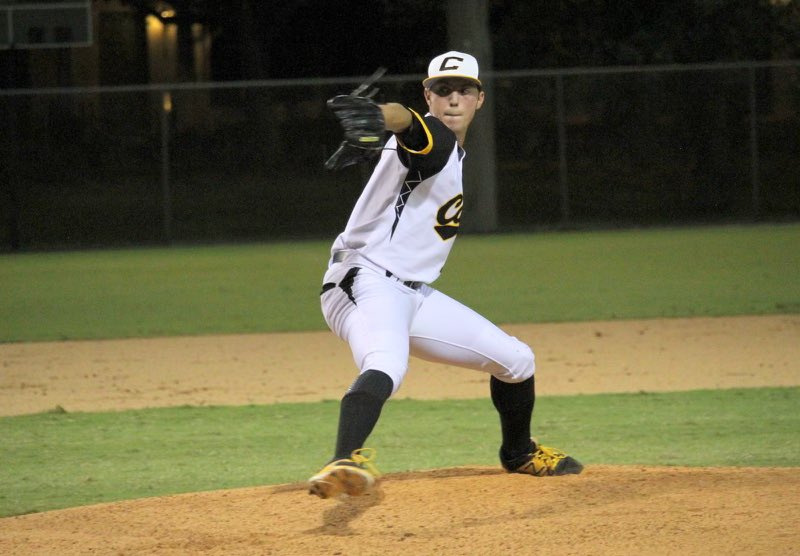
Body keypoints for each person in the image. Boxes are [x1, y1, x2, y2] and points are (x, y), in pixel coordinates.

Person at [308, 51, 582, 499]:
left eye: (465, 90)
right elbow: (407, 121)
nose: (454, 99)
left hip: (413, 294)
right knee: (386, 364)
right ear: (428, 95)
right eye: (443, 89)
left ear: (480, 99)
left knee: (516, 361)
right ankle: (342, 460)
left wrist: (381, 128)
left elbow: (405, 137)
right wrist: (380, 115)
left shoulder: (447, 148)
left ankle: (519, 453)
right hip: (365, 280)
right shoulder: (431, 133)